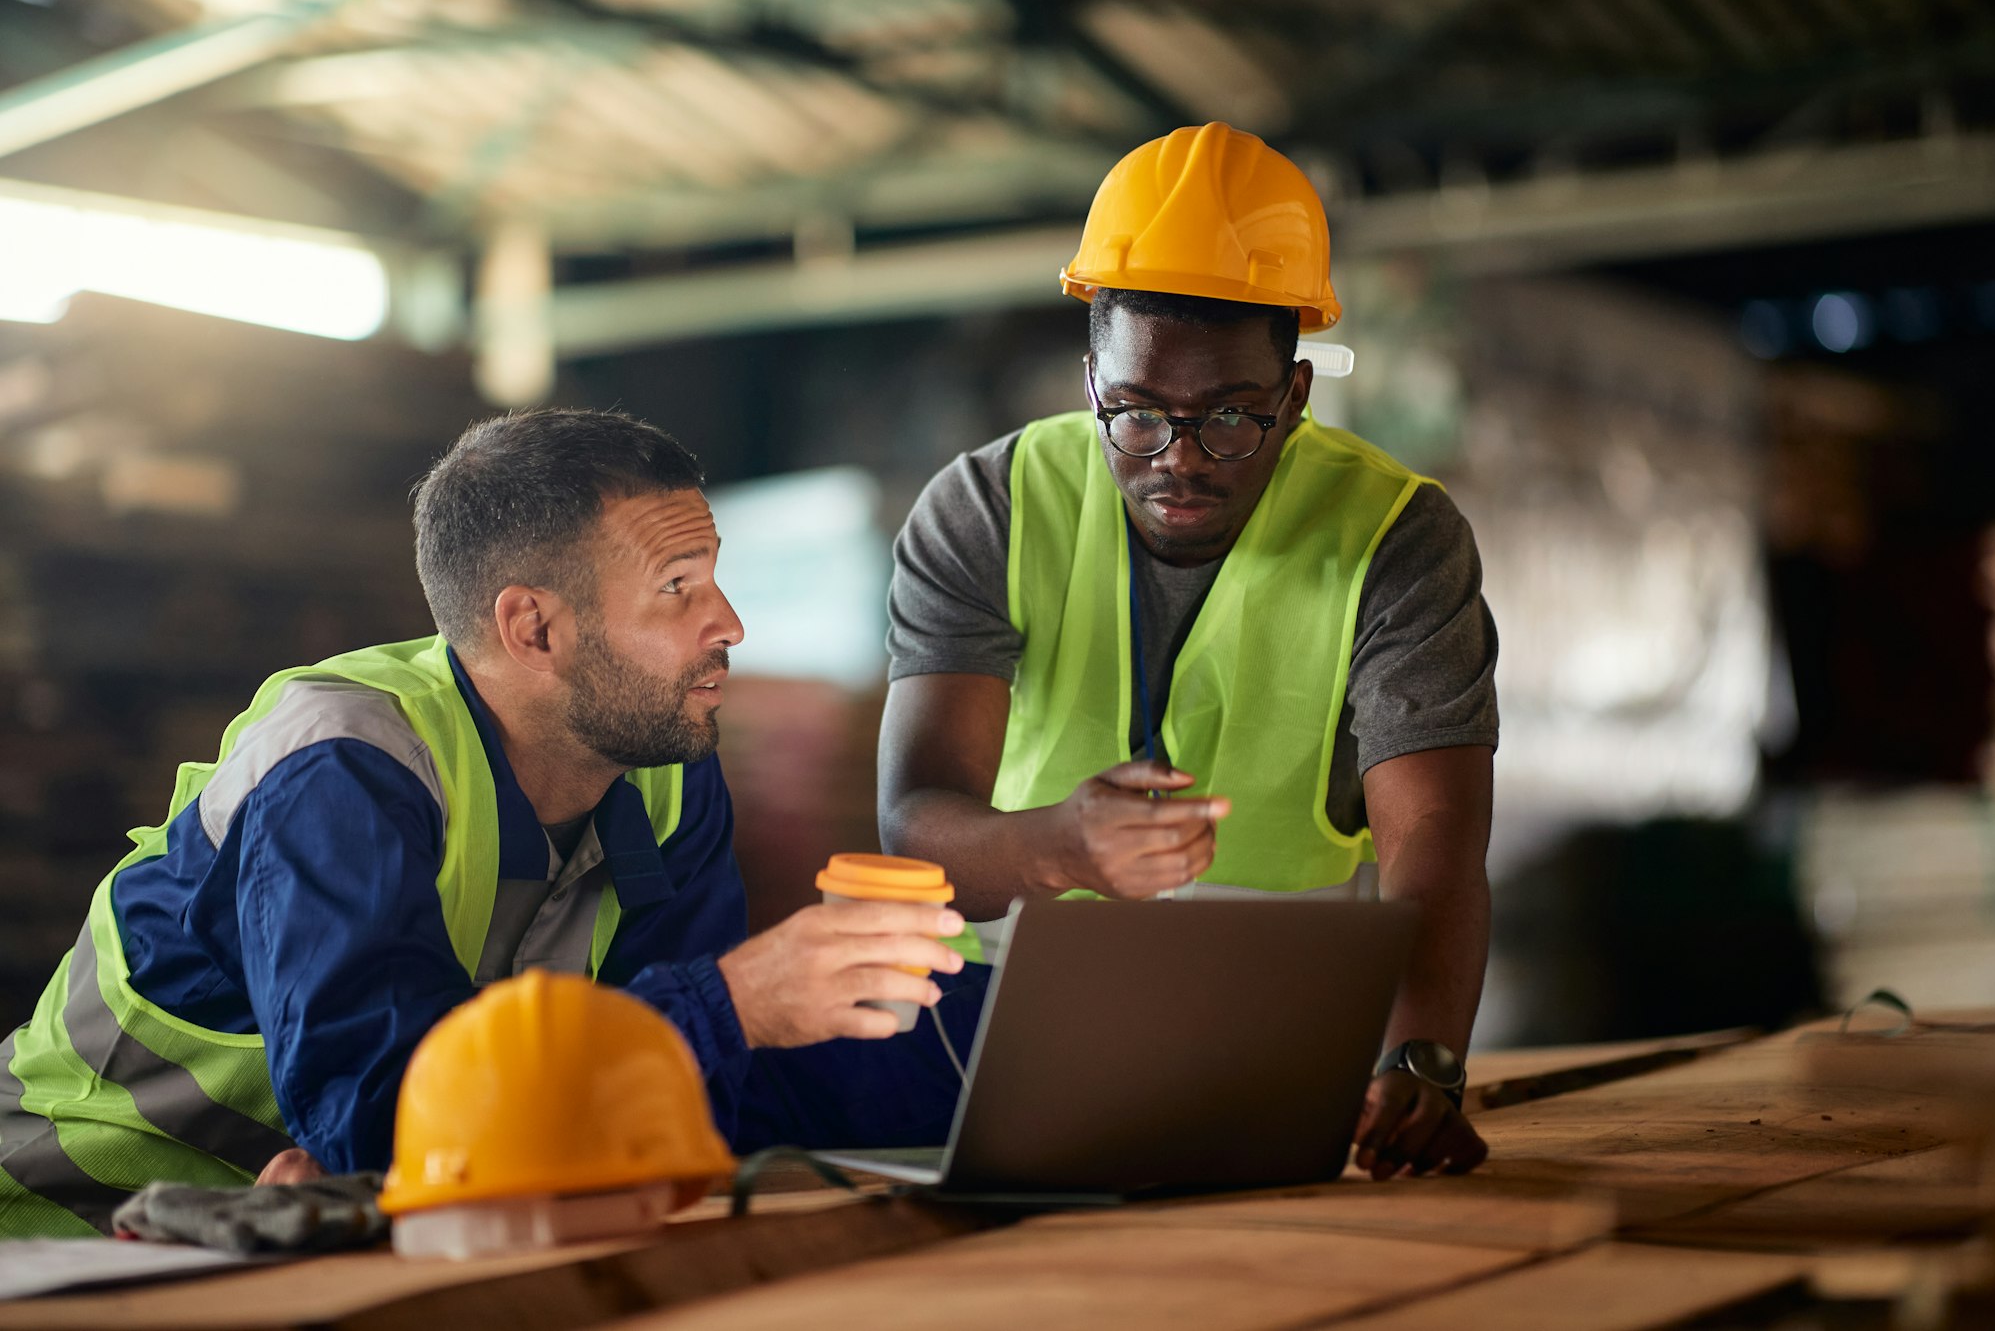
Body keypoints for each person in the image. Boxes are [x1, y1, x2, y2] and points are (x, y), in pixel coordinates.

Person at [0, 408, 966, 1236]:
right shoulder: (340, 765)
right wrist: (733, 1003)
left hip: (308, 1236)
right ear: (533, 628)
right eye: (677, 586)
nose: (729, 623)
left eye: (711, 575)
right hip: (67, 1230)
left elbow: (677, 1106)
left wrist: (958, 1049)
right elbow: (381, 1122)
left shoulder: (664, 773)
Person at [878, 123, 1498, 1179]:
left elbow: (1433, 830)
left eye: (1227, 418)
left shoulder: (1394, 535)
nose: (1176, 461)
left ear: (1293, 396)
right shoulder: (985, 508)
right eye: (1135, 414)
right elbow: (913, 832)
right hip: (996, 1033)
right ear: (1089, 383)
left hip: (1286, 1039)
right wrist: (1064, 846)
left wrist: (1420, 1053)